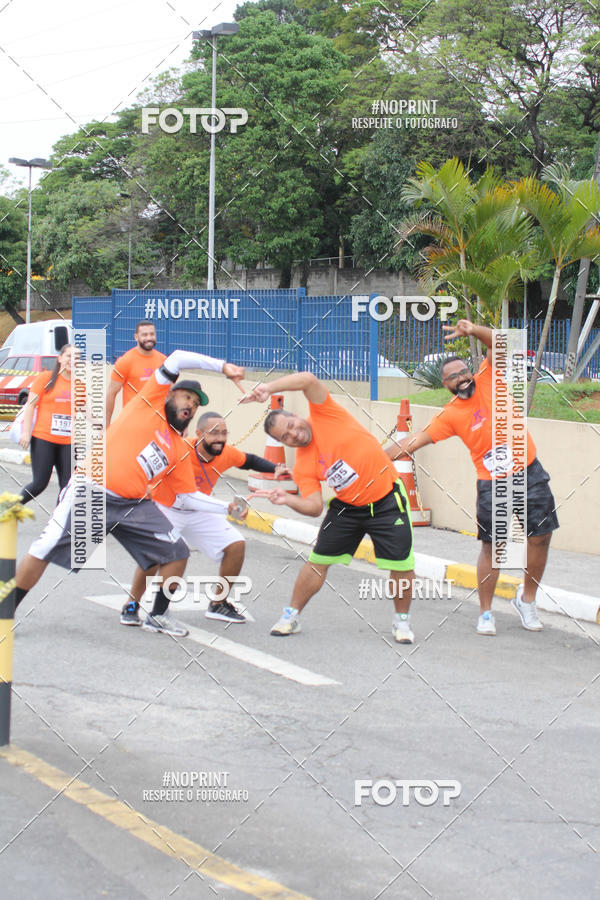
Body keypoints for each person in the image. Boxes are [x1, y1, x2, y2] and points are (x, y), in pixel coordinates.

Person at [14, 349, 245, 638]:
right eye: (186, 397)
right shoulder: (148, 403)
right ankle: (5, 611)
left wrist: (226, 508)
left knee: (176, 552)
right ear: (169, 395)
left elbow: (187, 496)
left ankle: (158, 616)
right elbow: (176, 358)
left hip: (132, 504)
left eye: (196, 404)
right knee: (45, 549)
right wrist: (223, 366)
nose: (190, 405)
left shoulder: (177, 447)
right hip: (93, 490)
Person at [387, 320, 559, 636]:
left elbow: (503, 343)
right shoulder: (450, 414)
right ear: (446, 385)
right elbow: (414, 440)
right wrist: (376, 457)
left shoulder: (489, 376)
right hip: (493, 484)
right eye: (453, 377)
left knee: (541, 537)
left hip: (529, 473)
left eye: (463, 372)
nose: (462, 378)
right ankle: (486, 612)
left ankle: (527, 600)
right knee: (494, 547)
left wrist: (474, 330)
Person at [242, 373, 416, 642]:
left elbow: (308, 380)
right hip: (348, 508)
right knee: (317, 562)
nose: (293, 434)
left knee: (402, 564)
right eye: (285, 437)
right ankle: (291, 616)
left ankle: (401, 622)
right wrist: (287, 499)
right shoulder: (303, 465)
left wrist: (267, 387)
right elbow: (313, 507)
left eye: (291, 425)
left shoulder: (324, 412)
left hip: (387, 500)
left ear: (296, 416)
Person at [120, 411, 293, 626]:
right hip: (167, 508)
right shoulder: (179, 449)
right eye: (214, 433)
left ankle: (218, 604)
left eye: (224, 433)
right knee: (155, 557)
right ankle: (132, 604)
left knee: (236, 545)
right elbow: (144, 463)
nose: (220, 438)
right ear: (199, 433)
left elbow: (249, 460)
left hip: (199, 511)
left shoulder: (225, 453)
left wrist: (276, 468)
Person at [18, 345, 77, 505]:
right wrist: (26, 433)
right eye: (69, 356)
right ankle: (7, 510)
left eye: (76, 358)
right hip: (44, 439)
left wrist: (102, 425)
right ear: (60, 358)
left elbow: (86, 410)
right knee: (39, 484)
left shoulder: (79, 384)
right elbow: (30, 405)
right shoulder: (46, 378)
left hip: (68, 443)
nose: (72, 360)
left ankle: (57, 520)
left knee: (67, 487)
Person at [105, 320, 166, 424]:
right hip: (132, 423)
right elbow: (111, 393)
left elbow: (171, 394)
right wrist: (106, 425)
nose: (149, 338)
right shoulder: (125, 361)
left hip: (157, 423)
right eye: (144, 335)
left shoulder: (163, 361)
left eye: (152, 334)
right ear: (136, 337)